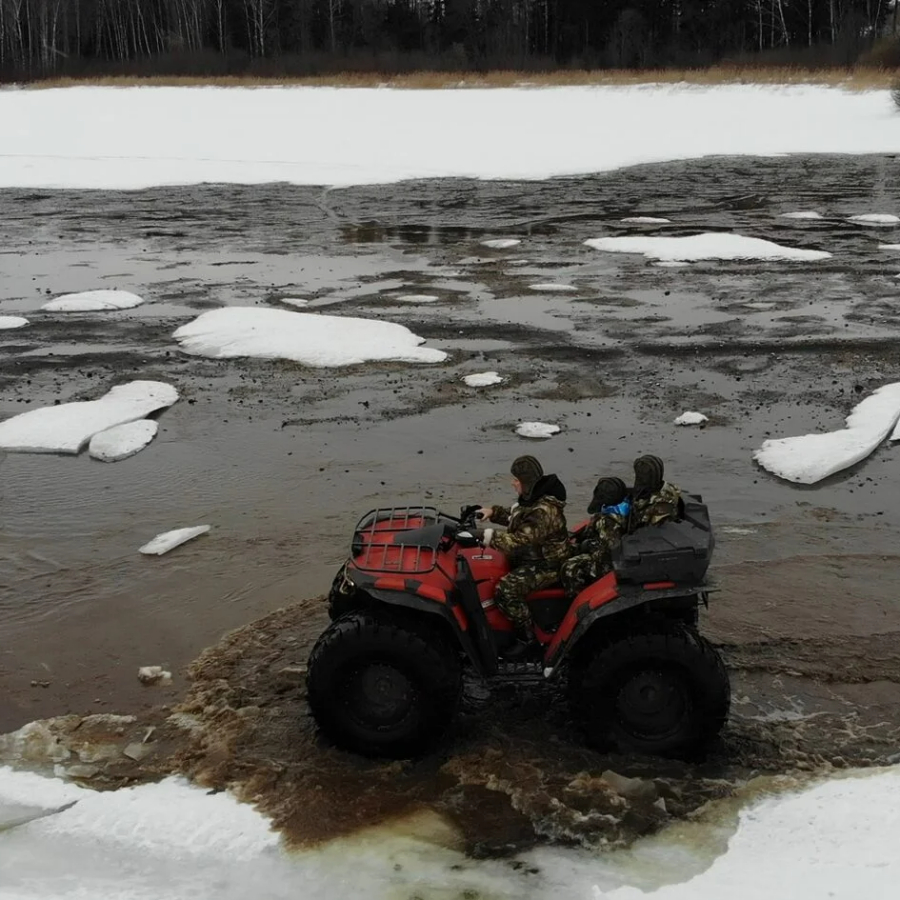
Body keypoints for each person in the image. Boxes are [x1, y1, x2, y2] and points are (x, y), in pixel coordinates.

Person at [478, 455, 569, 656]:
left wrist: (485, 536)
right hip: (533, 557)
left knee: (505, 590)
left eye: (516, 480)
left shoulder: (544, 511)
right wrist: (492, 512)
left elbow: (519, 541)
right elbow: (518, 519)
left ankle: (527, 638)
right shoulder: (534, 500)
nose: (513, 483)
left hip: (548, 564)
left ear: (526, 483)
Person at [559, 476, 630, 599]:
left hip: (607, 564)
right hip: (609, 554)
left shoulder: (608, 522)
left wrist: (587, 546)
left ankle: (577, 598)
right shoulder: (620, 509)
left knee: (569, 567)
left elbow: (609, 550)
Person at [628, 455, 681, 531]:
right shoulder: (642, 492)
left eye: (645, 474)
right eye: (639, 473)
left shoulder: (663, 505)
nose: (641, 477)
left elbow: (655, 532)